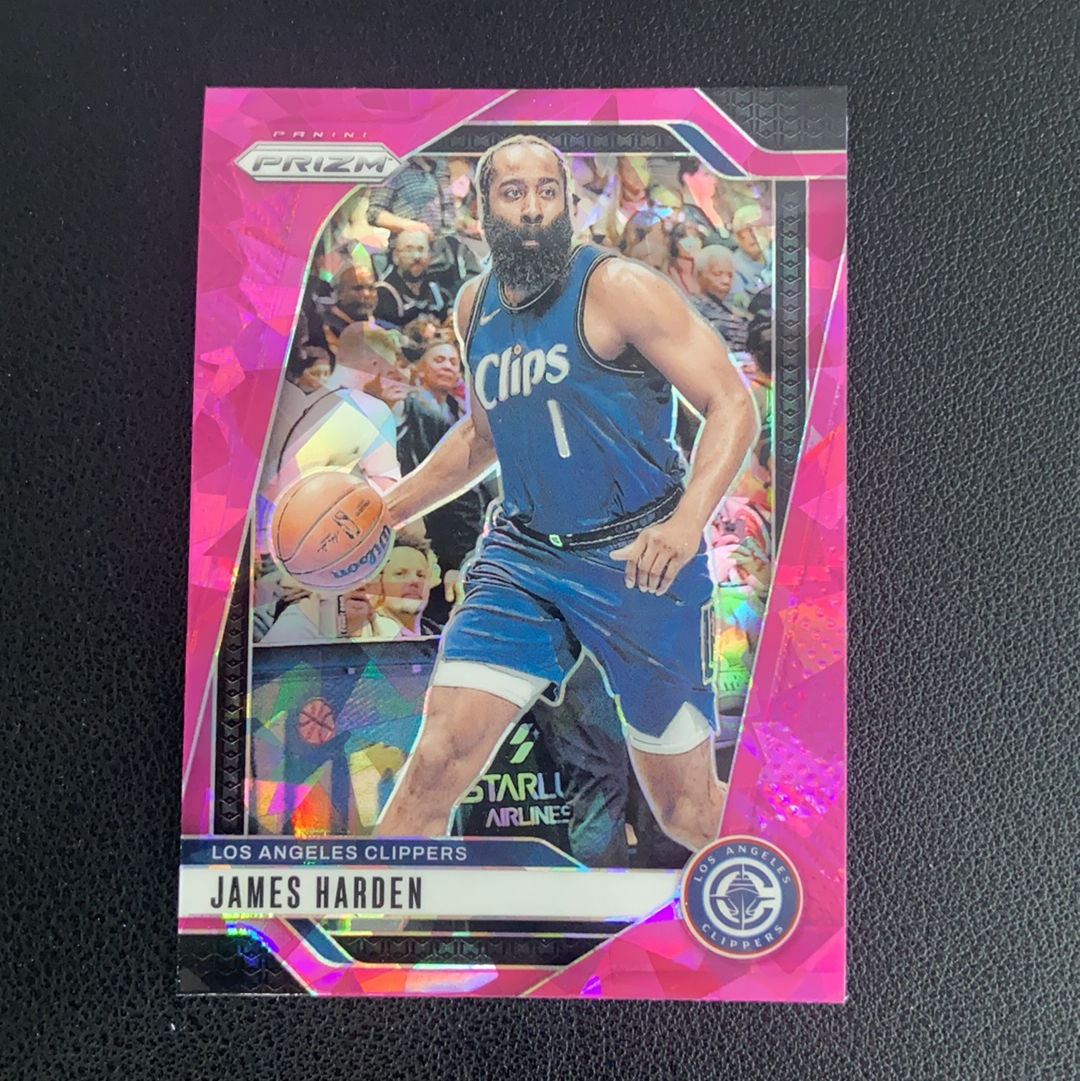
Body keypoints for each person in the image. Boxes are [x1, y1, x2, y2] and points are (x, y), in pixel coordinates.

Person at [377, 134, 757, 852]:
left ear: (569, 206)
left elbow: (732, 403)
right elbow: (483, 436)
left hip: (639, 558)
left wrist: (686, 525)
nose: (532, 208)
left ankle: (799, 882)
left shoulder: (619, 287)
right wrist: (388, 509)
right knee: (433, 765)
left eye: (547, 191)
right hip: (523, 558)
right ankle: (366, 925)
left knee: (686, 813)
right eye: (513, 192)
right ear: (483, 210)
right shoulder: (473, 305)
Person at [396, 338, 488, 626]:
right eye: (439, 360)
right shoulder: (413, 410)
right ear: (419, 368)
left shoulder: (460, 412)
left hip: (451, 544)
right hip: (422, 538)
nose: (448, 366)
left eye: (453, 362)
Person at [373, 230, 451, 328]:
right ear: (395, 256)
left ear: (430, 255)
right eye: (409, 250)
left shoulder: (435, 289)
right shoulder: (383, 292)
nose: (416, 256)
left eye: (421, 250)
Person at [690, 246, 752, 351]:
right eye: (717, 274)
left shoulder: (736, 306)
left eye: (730, 276)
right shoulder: (691, 308)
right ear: (699, 275)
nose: (726, 281)